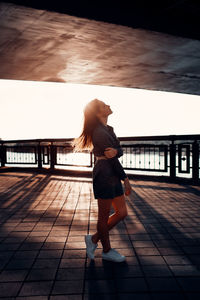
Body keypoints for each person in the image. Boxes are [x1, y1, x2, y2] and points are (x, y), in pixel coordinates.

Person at [72, 98, 132, 262]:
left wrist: (116, 151)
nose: (109, 106)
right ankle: (106, 250)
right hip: (104, 175)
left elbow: (119, 150)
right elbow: (112, 158)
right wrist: (125, 179)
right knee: (103, 217)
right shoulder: (99, 132)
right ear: (99, 112)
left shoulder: (109, 129)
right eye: (105, 105)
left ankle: (93, 239)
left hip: (112, 173)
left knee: (122, 213)